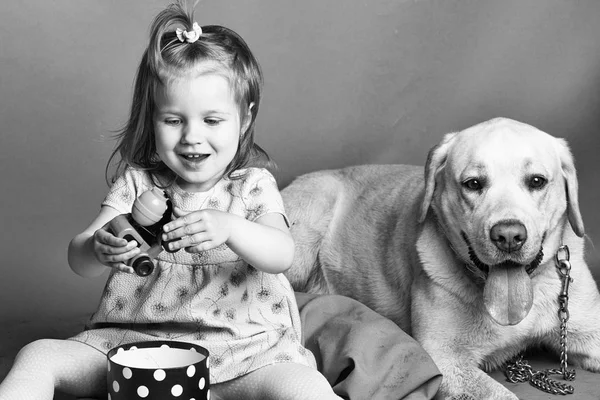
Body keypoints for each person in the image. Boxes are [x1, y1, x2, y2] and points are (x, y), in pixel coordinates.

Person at [0, 1, 341, 399]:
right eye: (174, 120)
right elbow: (79, 261)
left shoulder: (250, 187)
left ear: (244, 119)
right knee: (38, 355)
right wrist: (99, 246)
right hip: (134, 348)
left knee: (302, 386)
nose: (192, 137)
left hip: (244, 351)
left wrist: (231, 228)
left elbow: (282, 254)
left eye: (212, 120)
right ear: (153, 118)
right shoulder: (136, 183)